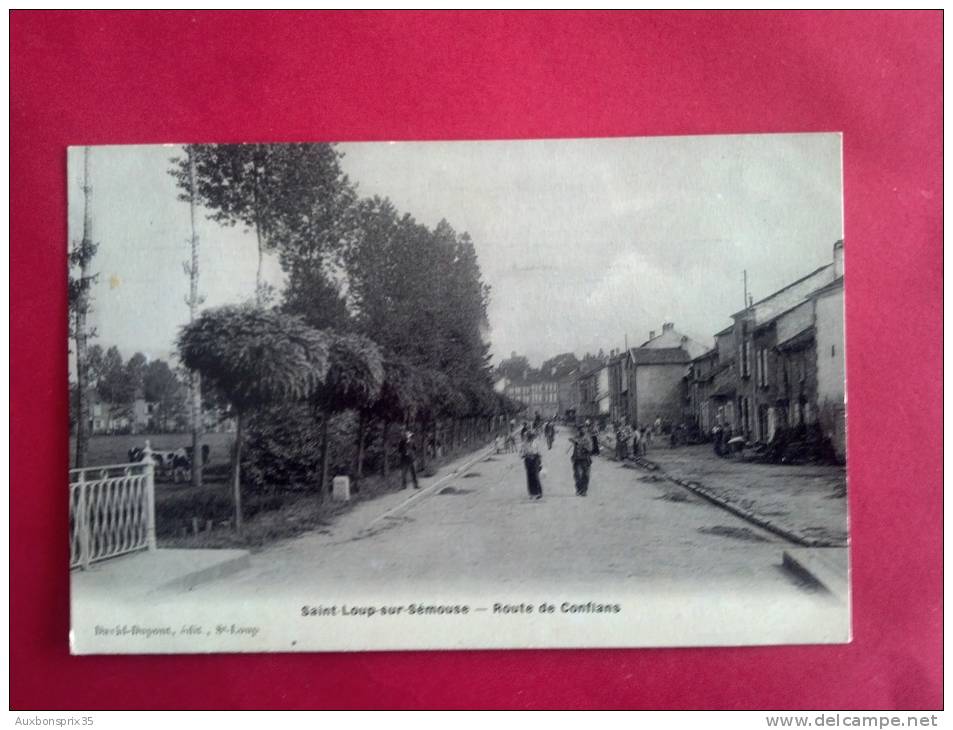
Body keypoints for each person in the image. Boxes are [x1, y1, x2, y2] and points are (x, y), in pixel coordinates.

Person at [520, 430, 543, 500]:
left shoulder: (536, 443)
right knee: (529, 476)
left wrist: (540, 462)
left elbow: (540, 453)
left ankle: (539, 492)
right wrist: (524, 455)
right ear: (527, 437)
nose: (530, 438)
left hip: (535, 460)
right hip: (528, 460)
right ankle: (531, 493)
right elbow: (521, 453)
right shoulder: (524, 444)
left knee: (536, 476)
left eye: (532, 436)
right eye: (529, 436)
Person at [570, 426, 592, 496]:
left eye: (583, 429)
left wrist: (581, 444)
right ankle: (579, 489)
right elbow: (574, 446)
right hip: (577, 459)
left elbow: (590, 449)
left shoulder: (588, 438)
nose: (582, 431)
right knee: (577, 475)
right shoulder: (577, 437)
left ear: (585, 430)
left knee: (586, 475)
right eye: (580, 430)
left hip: (585, 459)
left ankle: (584, 491)